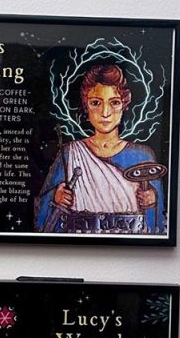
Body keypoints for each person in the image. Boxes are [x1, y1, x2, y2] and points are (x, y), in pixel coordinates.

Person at [35, 64, 165, 233]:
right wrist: (55, 198)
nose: (105, 112)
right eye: (96, 103)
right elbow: (41, 220)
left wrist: (153, 201)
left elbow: (159, 224)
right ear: (86, 105)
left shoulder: (143, 155)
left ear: (124, 105)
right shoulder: (70, 153)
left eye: (114, 102)